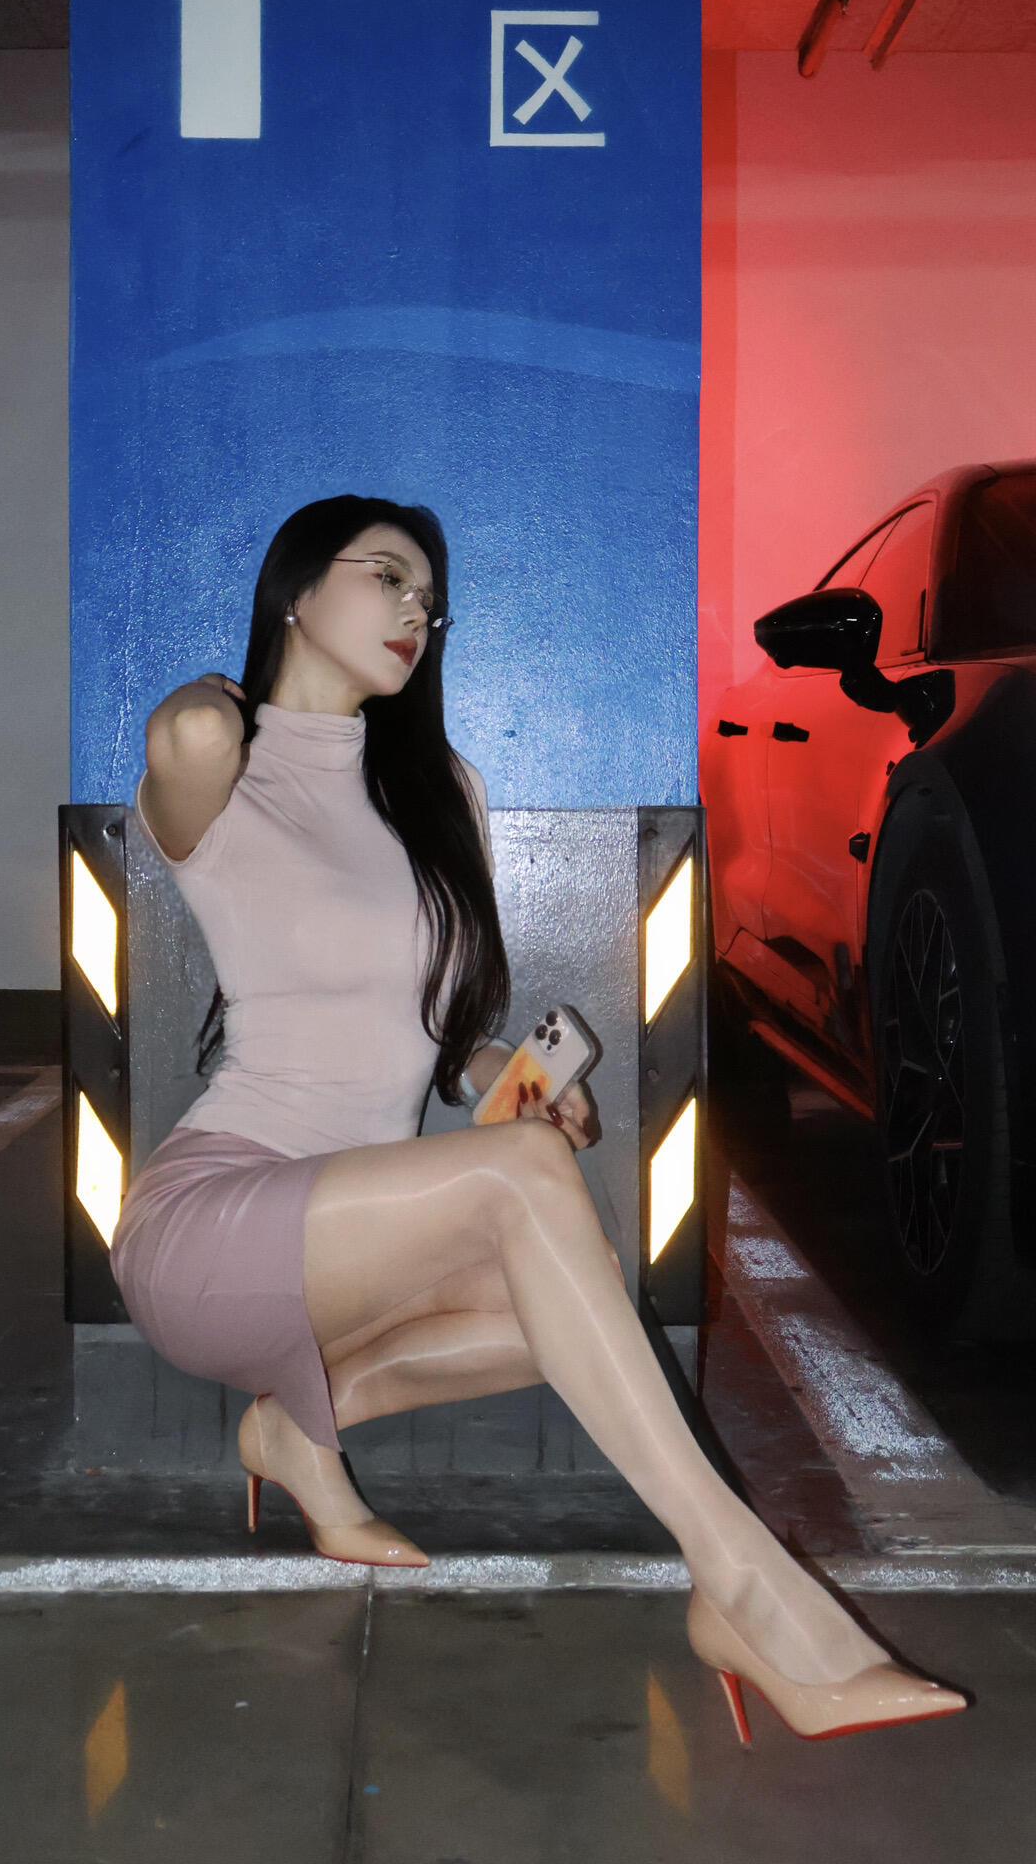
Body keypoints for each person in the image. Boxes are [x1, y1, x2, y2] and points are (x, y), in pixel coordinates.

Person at [111, 493, 969, 1745]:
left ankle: (294, 1427)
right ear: (296, 589)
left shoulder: (436, 789)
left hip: (336, 1237)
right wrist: (227, 691)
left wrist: (511, 1082)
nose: (417, 612)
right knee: (523, 1194)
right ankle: (742, 1580)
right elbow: (182, 735)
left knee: (568, 1307)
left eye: (431, 600)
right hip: (208, 1224)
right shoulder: (226, 774)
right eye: (388, 578)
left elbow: (439, 1034)